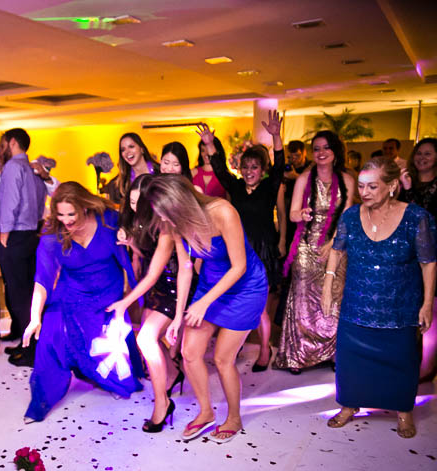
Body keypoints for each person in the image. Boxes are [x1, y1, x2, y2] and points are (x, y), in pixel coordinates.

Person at [145, 175, 268, 443]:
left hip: (245, 289)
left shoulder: (223, 211)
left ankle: (233, 418)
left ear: (181, 202)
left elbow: (239, 266)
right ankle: (205, 412)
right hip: (210, 286)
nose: (167, 220)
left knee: (224, 358)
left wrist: (203, 302)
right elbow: (186, 269)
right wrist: (178, 316)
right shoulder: (175, 223)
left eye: (169, 213)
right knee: (189, 352)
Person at [322, 157, 436, 438]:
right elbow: (337, 250)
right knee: (351, 361)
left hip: (399, 306)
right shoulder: (350, 216)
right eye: (361, 186)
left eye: (373, 186)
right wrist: (328, 286)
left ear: (392, 186)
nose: (365, 192)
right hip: (357, 304)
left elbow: (428, 263)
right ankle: (350, 405)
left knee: (402, 360)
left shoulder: (416, 218)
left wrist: (427, 303)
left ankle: (403, 411)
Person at [21, 182, 144, 423]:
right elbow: (43, 278)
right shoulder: (52, 233)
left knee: (108, 360)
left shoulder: (109, 221)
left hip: (108, 292)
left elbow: (133, 255)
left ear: (84, 207)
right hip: (72, 291)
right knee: (51, 333)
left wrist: (133, 295)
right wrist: (35, 316)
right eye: (61, 214)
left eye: (71, 214)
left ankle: (104, 376)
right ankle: (41, 400)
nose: (66, 220)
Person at [108, 174, 196, 432]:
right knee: (151, 339)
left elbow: (156, 270)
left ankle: (162, 403)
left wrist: (125, 302)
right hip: (157, 287)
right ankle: (171, 375)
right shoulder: (141, 219)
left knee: (145, 338)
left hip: (175, 287)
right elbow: (146, 256)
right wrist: (131, 243)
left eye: (139, 203)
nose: (135, 208)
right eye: (131, 202)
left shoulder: (167, 226)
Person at [200, 113, 285, 371]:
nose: (249, 172)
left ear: (262, 170)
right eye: (246, 167)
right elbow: (220, 171)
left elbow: (280, 167)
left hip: (263, 252)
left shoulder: (270, 187)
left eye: (254, 167)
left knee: (260, 308)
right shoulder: (235, 188)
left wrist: (276, 136)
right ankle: (232, 347)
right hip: (237, 253)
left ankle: (264, 351)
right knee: (236, 301)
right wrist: (210, 145)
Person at [276, 131, 356, 374]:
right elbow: (291, 214)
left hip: (337, 245)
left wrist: (333, 243)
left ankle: (331, 353)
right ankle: (299, 355)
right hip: (306, 246)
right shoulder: (304, 178)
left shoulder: (347, 180)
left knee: (334, 298)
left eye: (325, 148)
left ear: (335, 151)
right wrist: (301, 214)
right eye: (317, 148)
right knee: (302, 300)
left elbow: (348, 218)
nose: (320, 153)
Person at [0, 128, 46, 367]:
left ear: (12, 142)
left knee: (19, 296)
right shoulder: (33, 169)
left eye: (3, 143)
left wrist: (4, 233)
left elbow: (9, 202)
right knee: (28, 294)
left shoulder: (13, 168)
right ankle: (29, 346)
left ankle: (31, 352)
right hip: (31, 235)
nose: (1, 147)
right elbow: (39, 203)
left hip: (14, 236)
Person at [399, 137, 437, 382]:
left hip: (433, 252)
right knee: (411, 308)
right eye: (419, 154)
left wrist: (409, 189)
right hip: (408, 253)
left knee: (431, 308)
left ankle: (427, 366)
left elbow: (423, 216)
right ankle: (410, 360)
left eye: (428, 154)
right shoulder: (406, 184)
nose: (421, 158)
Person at [115, 132, 160, 203]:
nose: (127, 152)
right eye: (123, 150)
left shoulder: (160, 171)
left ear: (142, 149)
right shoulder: (123, 182)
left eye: (131, 146)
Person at [191, 134, 229, 199]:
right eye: (203, 150)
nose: (206, 154)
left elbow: (229, 201)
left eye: (208, 150)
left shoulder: (225, 175)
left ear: (217, 151)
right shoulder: (193, 173)